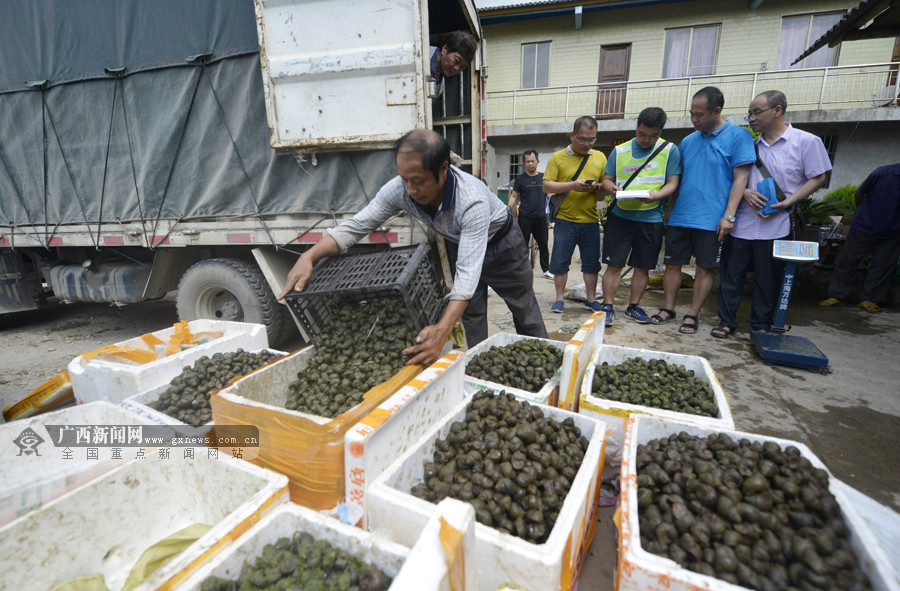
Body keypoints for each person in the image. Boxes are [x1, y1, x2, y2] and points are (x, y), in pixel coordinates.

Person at [279, 129, 547, 366]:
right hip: (458, 243)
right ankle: (479, 369)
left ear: (443, 170)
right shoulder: (400, 189)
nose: (410, 189)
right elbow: (357, 226)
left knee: (524, 310)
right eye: (404, 179)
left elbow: (466, 275)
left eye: (417, 180)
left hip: (502, 245)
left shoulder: (471, 201)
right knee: (472, 314)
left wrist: (442, 331)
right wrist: (309, 255)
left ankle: (542, 361)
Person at [713, 91, 831, 337]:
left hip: (777, 225)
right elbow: (733, 179)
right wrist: (745, 192)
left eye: (757, 112)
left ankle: (761, 325)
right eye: (750, 113)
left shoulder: (806, 142)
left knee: (768, 279)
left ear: (777, 110)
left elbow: (819, 176)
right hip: (743, 222)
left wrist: (789, 202)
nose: (752, 118)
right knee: (731, 275)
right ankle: (726, 322)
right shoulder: (749, 146)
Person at [652, 86, 755, 334]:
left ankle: (692, 313)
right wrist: (671, 209)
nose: (694, 119)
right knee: (672, 265)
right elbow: (679, 178)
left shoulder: (738, 136)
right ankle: (668, 308)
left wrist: (729, 215)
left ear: (717, 111)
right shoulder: (688, 140)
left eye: (699, 114)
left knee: (704, 268)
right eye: (692, 114)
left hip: (713, 218)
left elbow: (740, 179)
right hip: (681, 215)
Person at [598, 107, 682, 327]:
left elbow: (673, 182)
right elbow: (607, 179)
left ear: (660, 131)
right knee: (614, 265)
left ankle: (633, 306)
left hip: (651, 218)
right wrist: (612, 189)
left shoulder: (669, 150)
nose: (646, 140)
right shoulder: (620, 151)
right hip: (621, 216)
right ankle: (607, 306)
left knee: (642, 266)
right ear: (636, 128)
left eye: (652, 136)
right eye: (642, 134)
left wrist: (657, 195)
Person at [542, 116, 608, 314]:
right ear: (572, 135)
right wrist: (572, 185)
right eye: (582, 139)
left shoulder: (600, 157)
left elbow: (607, 186)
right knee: (561, 262)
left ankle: (590, 299)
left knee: (591, 263)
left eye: (591, 140)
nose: (586, 144)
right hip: (565, 219)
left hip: (590, 220)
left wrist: (596, 187)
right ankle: (559, 298)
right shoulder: (558, 157)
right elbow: (546, 184)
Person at [820, 162, 900, 313]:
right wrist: (863, 213)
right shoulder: (882, 173)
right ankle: (837, 296)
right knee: (848, 260)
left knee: (882, 266)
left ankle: (870, 299)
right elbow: (859, 194)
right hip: (864, 226)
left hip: (893, 231)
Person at [508, 150, 552, 278]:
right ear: (524, 164)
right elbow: (514, 196)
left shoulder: (544, 178)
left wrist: (555, 205)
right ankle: (522, 269)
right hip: (525, 217)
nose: (531, 164)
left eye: (533, 161)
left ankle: (546, 270)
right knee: (522, 245)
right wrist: (508, 209)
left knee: (543, 244)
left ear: (537, 162)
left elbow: (549, 195)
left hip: (540, 217)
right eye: (528, 162)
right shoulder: (520, 179)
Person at [429, 31, 478, 98]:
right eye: (456, 61)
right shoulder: (421, 55)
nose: (457, 69)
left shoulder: (440, 85)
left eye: (462, 67)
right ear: (445, 48)